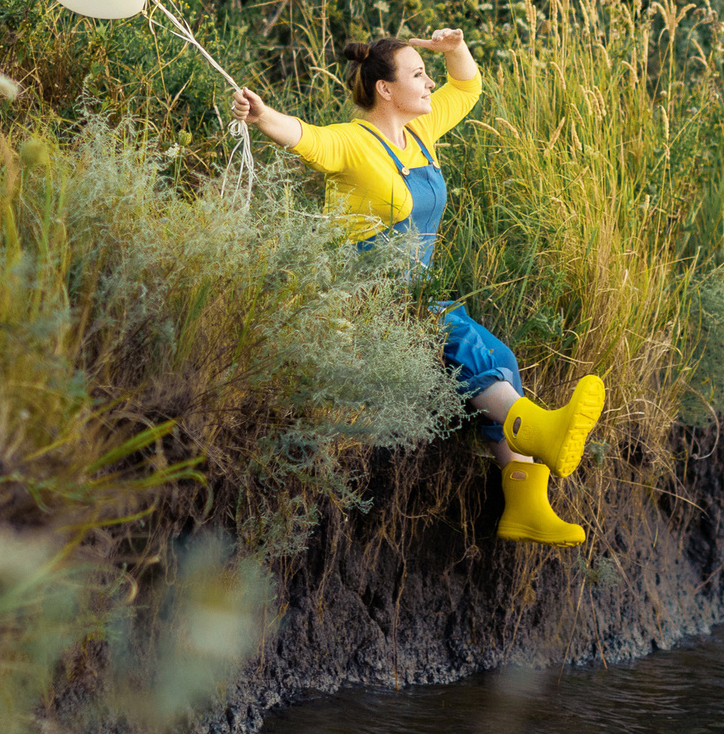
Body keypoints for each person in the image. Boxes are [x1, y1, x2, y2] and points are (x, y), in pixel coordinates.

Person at [229, 29, 604, 546]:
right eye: (417, 74)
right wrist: (260, 115)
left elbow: (467, 89)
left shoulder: (421, 133)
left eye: (426, 75)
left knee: (499, 357)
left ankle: (525, 505)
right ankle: (537, 430)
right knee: (465, 342)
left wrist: (454, 50)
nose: (429, 84)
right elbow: (305, 137)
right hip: (367, 294)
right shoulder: (354, 142)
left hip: (417, 293)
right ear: (385, 90)